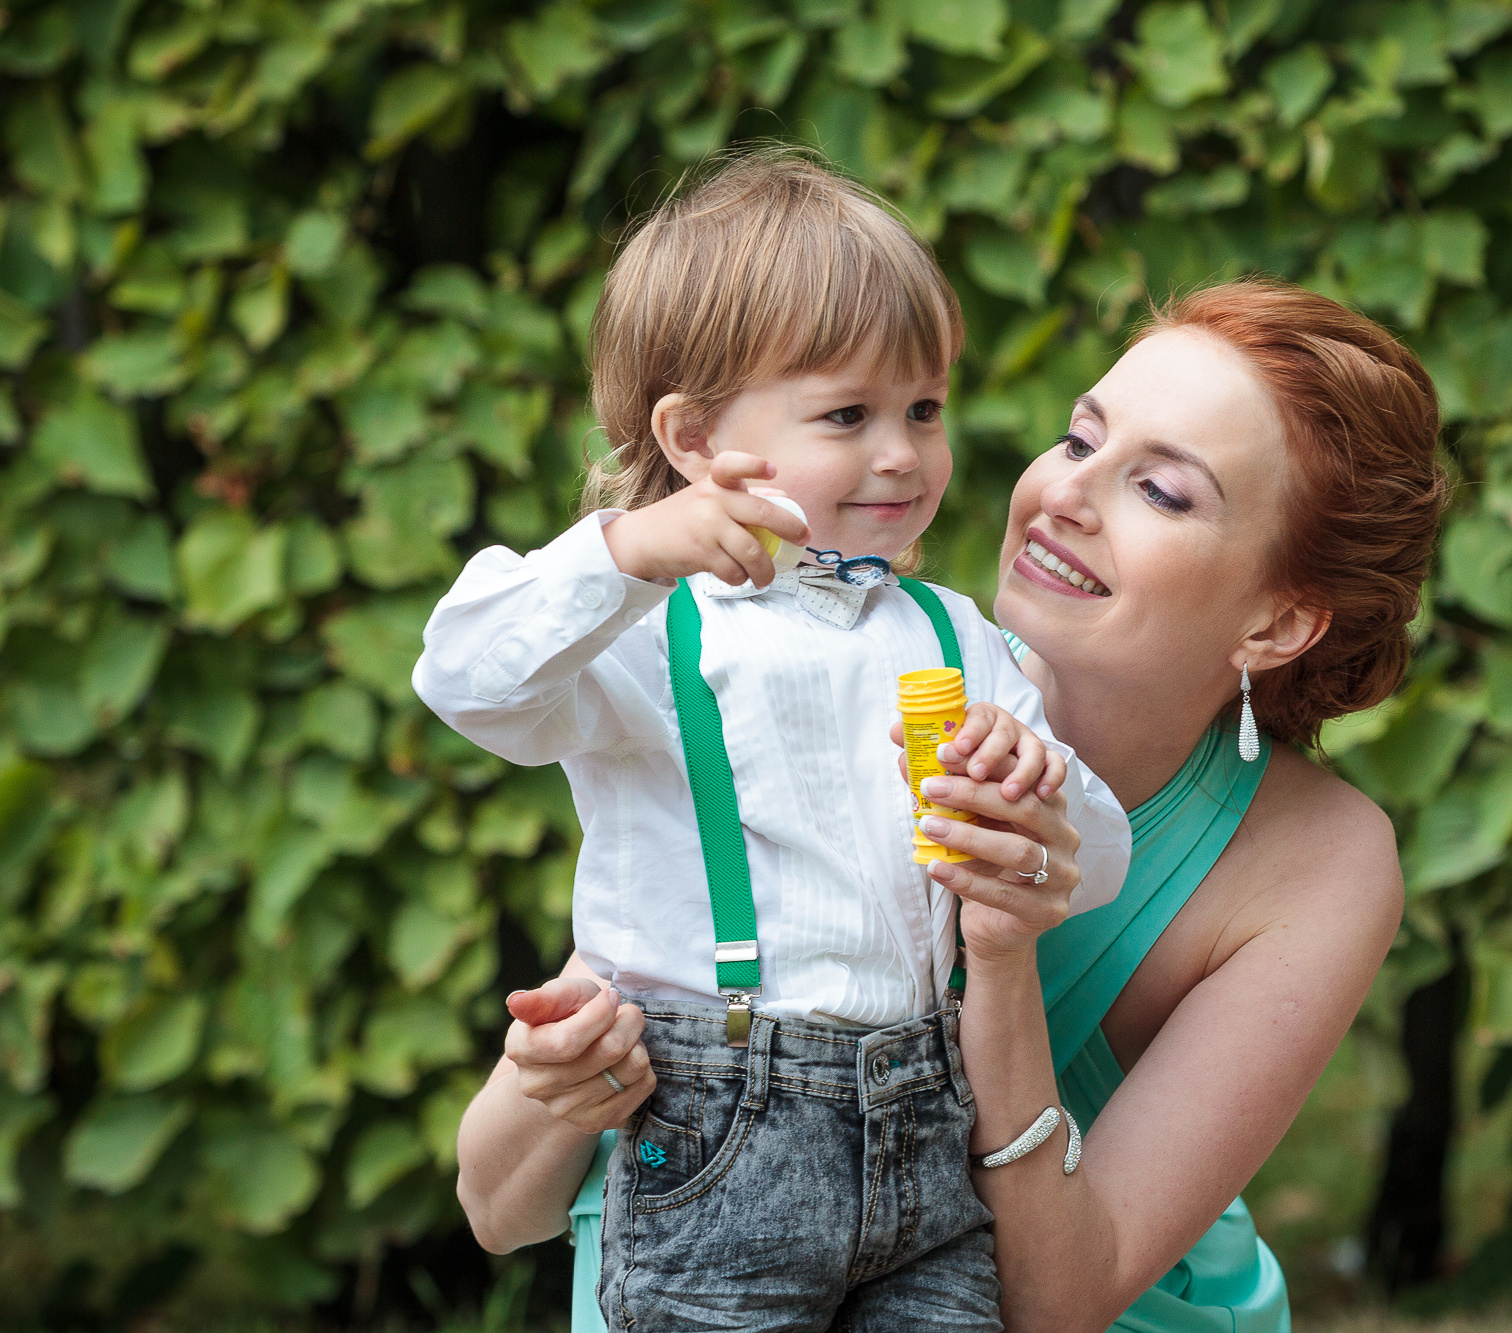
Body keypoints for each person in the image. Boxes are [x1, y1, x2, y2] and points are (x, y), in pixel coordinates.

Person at [456, 276, 1447, 1332]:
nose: (1065, 494)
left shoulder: (1319, 860)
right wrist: (564, 1082)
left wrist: (1006, 951)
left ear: (1276, 621)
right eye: (1078, 441)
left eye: (1159, 490)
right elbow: (498, 1204)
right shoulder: (858, 689)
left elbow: (1054, 1300)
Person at [415, 148, 1132, 1333]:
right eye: (846, 415)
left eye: (923, 409)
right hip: (714, 1128)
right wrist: (626, 549)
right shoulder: (646, 627)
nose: (900, 454)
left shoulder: (956, 637)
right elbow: (463, 680)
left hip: (922, 1124)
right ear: (694, 438)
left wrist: (1038, 804)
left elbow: (1091, 864)